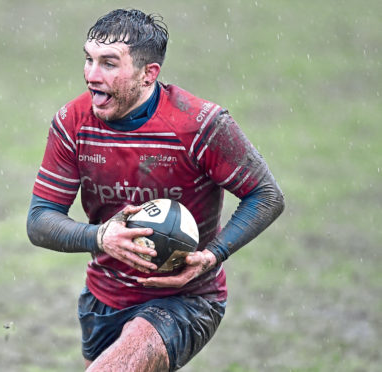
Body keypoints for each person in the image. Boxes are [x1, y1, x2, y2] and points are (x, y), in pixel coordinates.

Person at [26, 8, 284, 371]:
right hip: (102, 299)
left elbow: (267, 195)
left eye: (109, 64)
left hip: (187, 299)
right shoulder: (72, 123)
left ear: (149, 74)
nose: (91, 75)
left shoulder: (200, 125)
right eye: (89, 59)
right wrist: (101, 237)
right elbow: (39, 220)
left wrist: (213, 254)